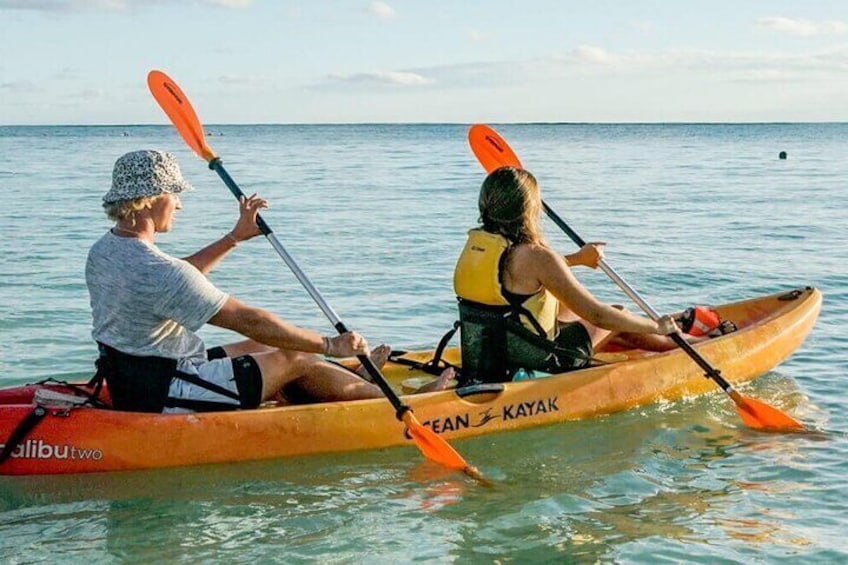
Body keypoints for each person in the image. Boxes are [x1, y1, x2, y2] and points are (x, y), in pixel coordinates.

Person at [86, 149, 404, 414]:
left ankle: (353, 378)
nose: (179, 205)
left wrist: (234, 238)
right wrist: (329, 344)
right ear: (151, 199)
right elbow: (248, 320)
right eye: (174, 195)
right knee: (296, 355)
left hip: (134, 379)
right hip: (167, 391)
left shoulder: (106, 250)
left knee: (270, 345)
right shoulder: (160, 272)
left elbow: (175, 278)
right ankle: (389, 403)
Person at [453, 166, 683, 383]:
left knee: (572, 311)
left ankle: (680, 341)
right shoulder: (536, 256)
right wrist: (656, 326)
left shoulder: (477, 246)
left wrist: (577, 259)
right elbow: (597, 315)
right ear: (529, 208)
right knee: (617, 314)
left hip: (487, 353)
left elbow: (518, 277)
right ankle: (683, 344)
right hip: (541, 359)